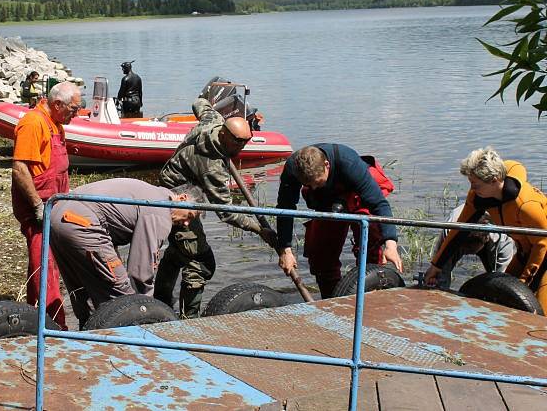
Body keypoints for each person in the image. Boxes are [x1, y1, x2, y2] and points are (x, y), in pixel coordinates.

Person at [153, 95, 277, 318]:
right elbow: (226, 212)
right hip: (177, 201)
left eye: (246, 142)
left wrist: (207, 98)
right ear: (224, 135)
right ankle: (187, 319)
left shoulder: (212, 120)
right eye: (238, 143)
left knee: (178, 252)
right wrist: (260, 229)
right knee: (201, 261)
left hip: (177, 189)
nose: (241, 148)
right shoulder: (212, 167)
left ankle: (161, 302)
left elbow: (199, 103)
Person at [49, 178, 202, 328]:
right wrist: (148, 310)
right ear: (182, 198)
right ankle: (128, 344)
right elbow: (140, 273)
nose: (186, 223)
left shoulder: (151, 192)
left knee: (84, 291)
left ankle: (86, 336)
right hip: (81, 222)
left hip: (56, 216)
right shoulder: (160, 211)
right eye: (189, 216)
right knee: (123, 299)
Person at [425, 148, 547, 312]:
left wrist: (524, 284)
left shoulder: (526, 206)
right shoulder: (478, 196)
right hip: (525, 252)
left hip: (544, 253)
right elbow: (459, 229)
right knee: (503, 299)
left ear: (494, 180)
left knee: (538, 312)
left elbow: (543, 245)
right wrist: (436, 266)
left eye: (476, 184)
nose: (472, 189)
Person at [276, 144, 403, 299]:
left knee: (370, 241)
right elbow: (285, 208)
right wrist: (285, 250)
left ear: (327, 165)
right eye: (309, 185)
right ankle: (332, 299)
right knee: (320, 253)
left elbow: (379, 204)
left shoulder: (349, 164)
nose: (314, 188)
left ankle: (371, 294)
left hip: (357, 194)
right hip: (330, 200)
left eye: (317, 182)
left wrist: (390, 244)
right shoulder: (292, 168)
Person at [11, 81, 82, 330]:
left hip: (56, 205)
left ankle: (35, 318)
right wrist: (37, 206)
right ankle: (54, 326)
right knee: (46, 268)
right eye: (74, 109)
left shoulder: (56, 125)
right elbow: (20, 169)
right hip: (39, 210)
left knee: (44, 266)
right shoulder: (34, 123)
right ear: (57, 104)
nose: (77, 113)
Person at [430, 203, 516, 290]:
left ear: (485, 239)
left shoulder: (503, 242)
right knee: (439, 278)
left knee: (499, 281)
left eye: (471, 249)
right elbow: (437, 266)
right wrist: (435, 276)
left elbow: (505, 282)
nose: (467, 253)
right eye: (465, 249)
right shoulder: (449, 232)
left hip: (491, 242)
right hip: (455, 237)